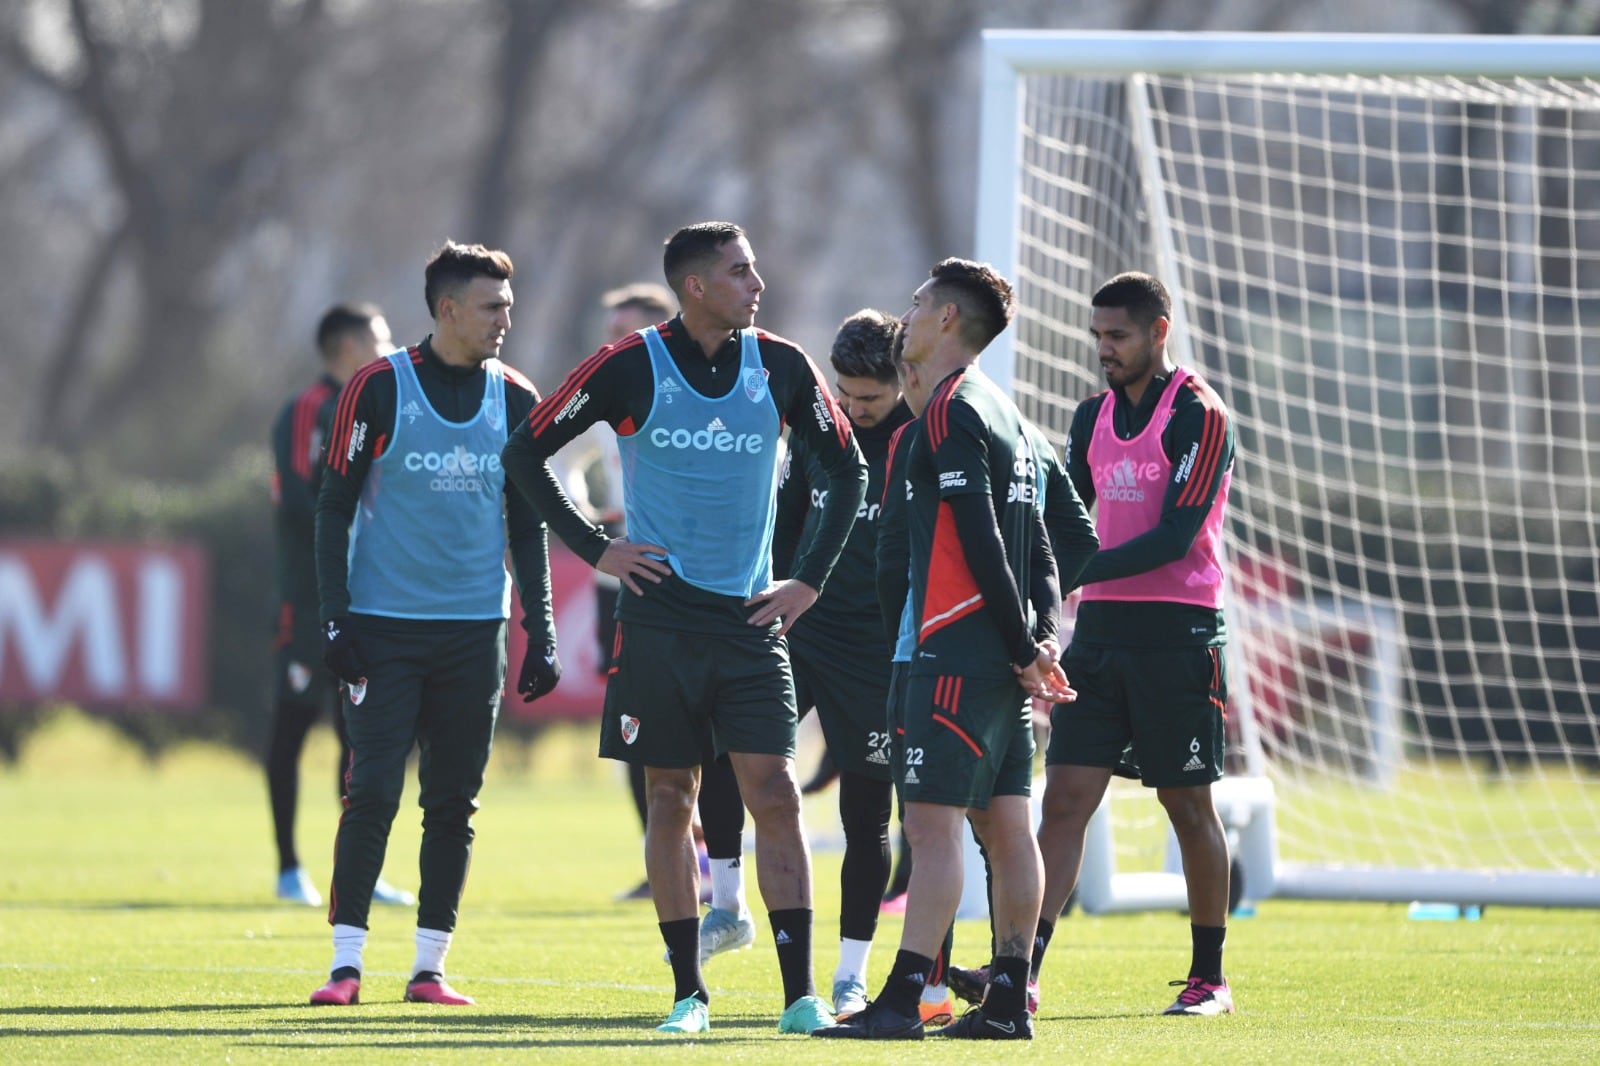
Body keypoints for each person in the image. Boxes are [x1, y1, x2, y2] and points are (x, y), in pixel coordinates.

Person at [502, 221, 867, 1035]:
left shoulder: (781, 366)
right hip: (658, 623)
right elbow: (524, 452)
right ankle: (688, 996)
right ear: (695, 286)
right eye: (741, 272)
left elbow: (847, 470)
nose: (757, 284)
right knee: (671, 797)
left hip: (749, 623)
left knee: (776, 792)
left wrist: (808, 579)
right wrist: (597, 549)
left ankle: (800, 996)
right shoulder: (629, 365)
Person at [815, 258, 1074, 1042]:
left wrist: (1023, 645)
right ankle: (1007, 1002)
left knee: (931, 830)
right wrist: (1038, 638)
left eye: (921, 301)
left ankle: (901, 1002)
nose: (910, 312)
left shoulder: (951, 410)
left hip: (952, 651)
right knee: (1007, 829)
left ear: (948, 319)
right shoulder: (1011, 417)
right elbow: (1055, 547)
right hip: (995, 658)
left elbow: (982, 535)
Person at [307, 242, 560, 1008]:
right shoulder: (379, 388)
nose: (505, 319)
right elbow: (332, 508)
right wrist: (334, 621)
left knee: (452, 803)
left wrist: (540, 627)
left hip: (473, 633)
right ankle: (345, 966)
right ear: (448, 310)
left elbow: (528, 523)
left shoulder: (516, 397)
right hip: (382, 630)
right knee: (372, 791)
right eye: (492, 307)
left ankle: (429, 969)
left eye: (508, 306)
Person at [1031, 271, 1238, 1016]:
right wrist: (1030, 573)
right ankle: (1020, 970)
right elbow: (1066, 520)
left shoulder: (1199, 414)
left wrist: (1072, 571)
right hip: (1099, 637)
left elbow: (1176, 536)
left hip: (1178, 636)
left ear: (1159, 331)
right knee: (1064, 801)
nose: (1104, 349)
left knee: (1187, 804)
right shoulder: (1091, 416)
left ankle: (1209, 979)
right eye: (1097, 336)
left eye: (1117, 336)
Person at [770, 309, 914, 1021]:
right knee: (727, 757)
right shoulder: (817, 430)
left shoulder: (926, 440)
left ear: (903, 381)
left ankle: (850, 976)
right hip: (802, 634)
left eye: (870, 398)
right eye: (845, 394)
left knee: (866, 816)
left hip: (877, 655)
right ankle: (727, 900)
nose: (854, 410)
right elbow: (785, 526)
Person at [267, 304, 414, 910]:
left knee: (358, 738)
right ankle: (287, 867)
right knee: (292, 729)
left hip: (367, 601)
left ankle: (357, 871)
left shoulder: (380, 406)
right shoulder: (309, 408)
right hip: (309, 602)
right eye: (380, 337)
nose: (390, 346)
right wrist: (354, 527)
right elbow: (300, 498)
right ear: (349, 346)